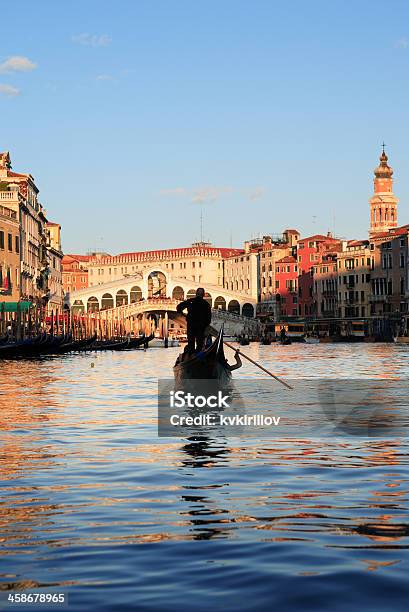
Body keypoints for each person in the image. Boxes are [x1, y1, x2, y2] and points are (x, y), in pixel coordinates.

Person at [176, 288, 211, 353]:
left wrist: (182, 314)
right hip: (200, 327)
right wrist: (205, 326)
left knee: (191, 344)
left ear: (196, 294)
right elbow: (208, 319)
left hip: (191, 325)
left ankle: (191, 355)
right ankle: (198, 356)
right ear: (203, 295)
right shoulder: (206, 304)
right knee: (199, 345)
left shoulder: (190, 301)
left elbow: (178, 307)